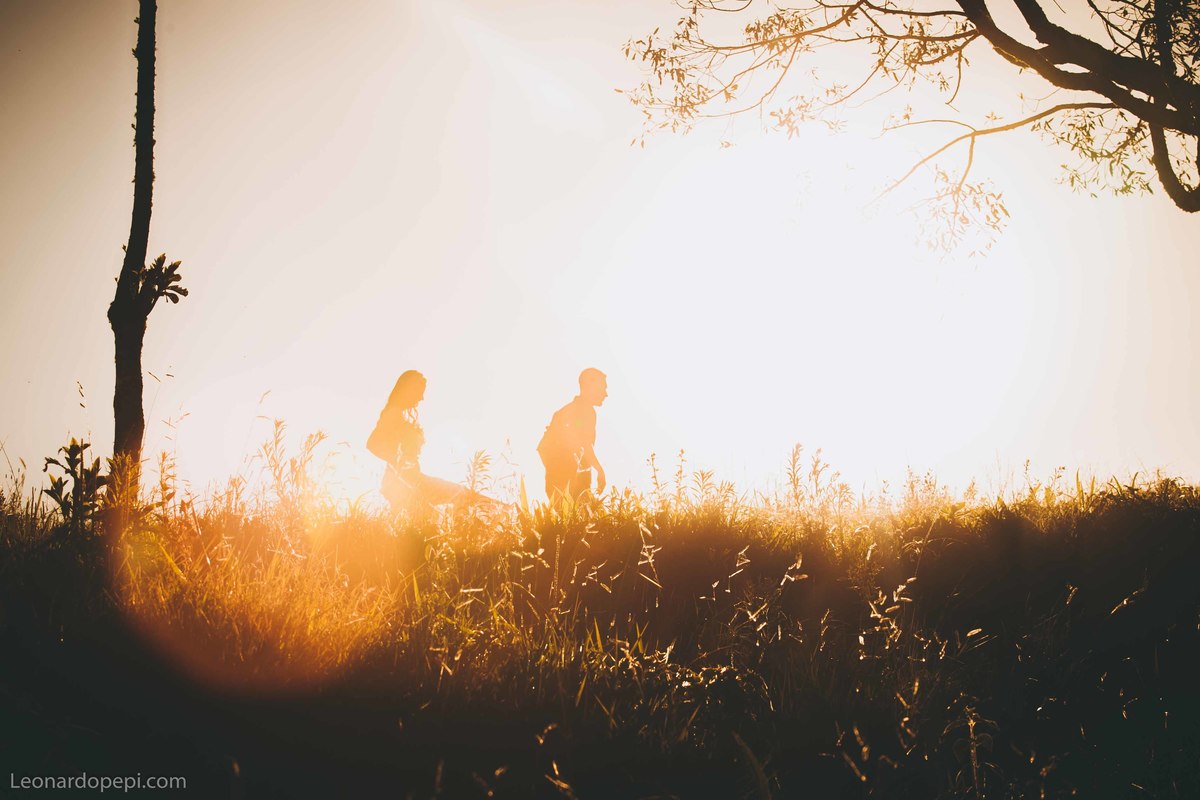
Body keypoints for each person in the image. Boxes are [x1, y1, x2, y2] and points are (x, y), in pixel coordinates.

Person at [366, 370, 467, 511]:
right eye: (419, 392)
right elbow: (372, 444)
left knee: (459, 496)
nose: (422, 398)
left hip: (411, 481)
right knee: (462, 496)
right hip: (402, 483)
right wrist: (398, 462)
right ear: (408, 390)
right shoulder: (394, 413)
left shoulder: (398, 414)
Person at [538, 368, 608, 502]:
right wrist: (600, 471)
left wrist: (555, 472)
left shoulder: (563, 412)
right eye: (603, 388)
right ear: (590, 387)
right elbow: (585, 444)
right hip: (570, 485)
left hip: (558, 484)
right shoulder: (585, 411)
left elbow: (542, 448)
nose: (606, 394)